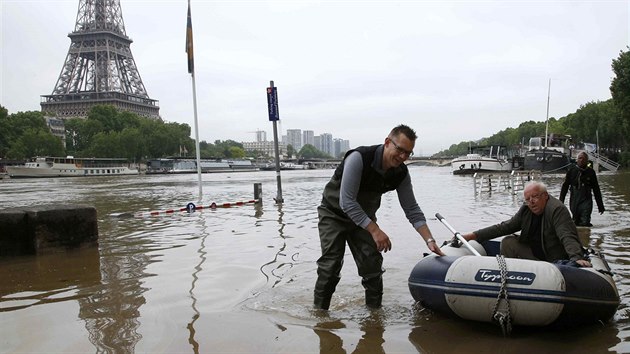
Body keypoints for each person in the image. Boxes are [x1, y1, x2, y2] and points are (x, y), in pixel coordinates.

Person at [314, 124, 444, 310]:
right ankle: (320, 316)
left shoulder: (400, 173)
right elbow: (347, 202)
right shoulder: (358, 158)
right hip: (334, 215)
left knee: (372, 266)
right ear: (387, 142)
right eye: (399, 150)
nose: (402, 157)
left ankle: (375, 318)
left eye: (408, 153)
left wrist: (429, 240)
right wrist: (375, 230)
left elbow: (412, 209)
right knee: (331, 266)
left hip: (363, 219)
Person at [462, 181, 591, 267]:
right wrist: (472, 236)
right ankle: (510, 276)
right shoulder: (526, 209)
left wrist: (576, 259)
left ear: (545, 195)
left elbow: (567, 236)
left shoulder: (557, 209)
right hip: (534, 254)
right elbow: (503, 227)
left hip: (553, 259)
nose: (531, 202)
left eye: (535, 197)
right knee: (508, 241)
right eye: (528, 199)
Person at [560, 151, 605, 227]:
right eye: (580, 158)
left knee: (585, 223)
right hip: (574, 200)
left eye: (584, 159)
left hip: (586, 200)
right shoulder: (571, 170)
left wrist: (600, 206)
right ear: (577, 160)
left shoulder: (591, 172)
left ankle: (586, 236)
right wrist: (561, 202)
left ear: (587, 161)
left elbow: (596, 189)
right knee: (575, 223)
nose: (581, 160)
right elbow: (565, 187)